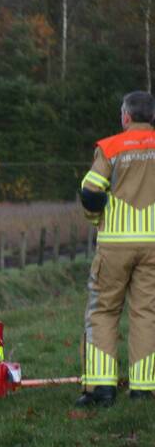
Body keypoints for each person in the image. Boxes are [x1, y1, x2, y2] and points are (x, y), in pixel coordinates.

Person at [76, 90, 155, 406]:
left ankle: (101, 388)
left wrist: (95, 219)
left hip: (115, 245)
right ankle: (144, 387)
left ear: (126, 116)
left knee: (103, 311)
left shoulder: (111, 147)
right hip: (153, 244)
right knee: (146, 312)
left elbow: (91, 191)